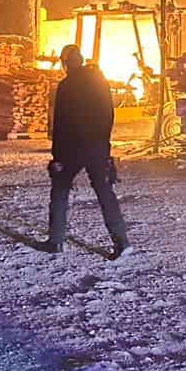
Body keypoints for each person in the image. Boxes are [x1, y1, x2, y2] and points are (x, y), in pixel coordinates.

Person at [47, 44, 129, 257]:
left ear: (66, 63)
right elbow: (108, 116)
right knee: (105, 192)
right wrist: (104, 147)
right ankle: (122, 242)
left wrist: (57, 156)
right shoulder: (101, 83)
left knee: (60, 190)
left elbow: (61, 123)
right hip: (97, 148)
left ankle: (56, 241)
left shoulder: (66, 86)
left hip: (72, 150)